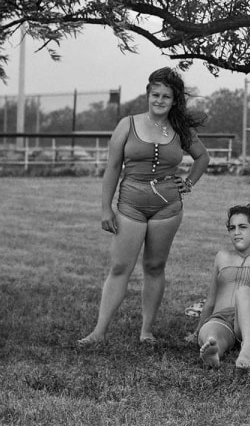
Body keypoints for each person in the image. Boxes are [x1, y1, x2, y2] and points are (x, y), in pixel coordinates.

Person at [79, 67, 209, 345]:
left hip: (168, 207)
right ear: (148, 95)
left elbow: (202, 158)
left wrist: (189, 182)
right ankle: (99, 331)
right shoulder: (128, 124)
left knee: (154, 266)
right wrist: (106, 208)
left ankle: (146, 331)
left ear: (175, 100)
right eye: (155, 94)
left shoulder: (181, 129)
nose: (159, 100)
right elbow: (113, 167)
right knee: (119, 267)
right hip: (130, 204)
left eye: (166, 96)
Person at [197, 204, 250, 369]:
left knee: (243, 291)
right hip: (221, 318)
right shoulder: (222, 256)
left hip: (248, 320)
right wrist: (197, 329)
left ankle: (247, 349)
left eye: (242, 227)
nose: (236, 232)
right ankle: (214, 352)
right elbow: (211, 300)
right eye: (231, 228)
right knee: (210, 335)